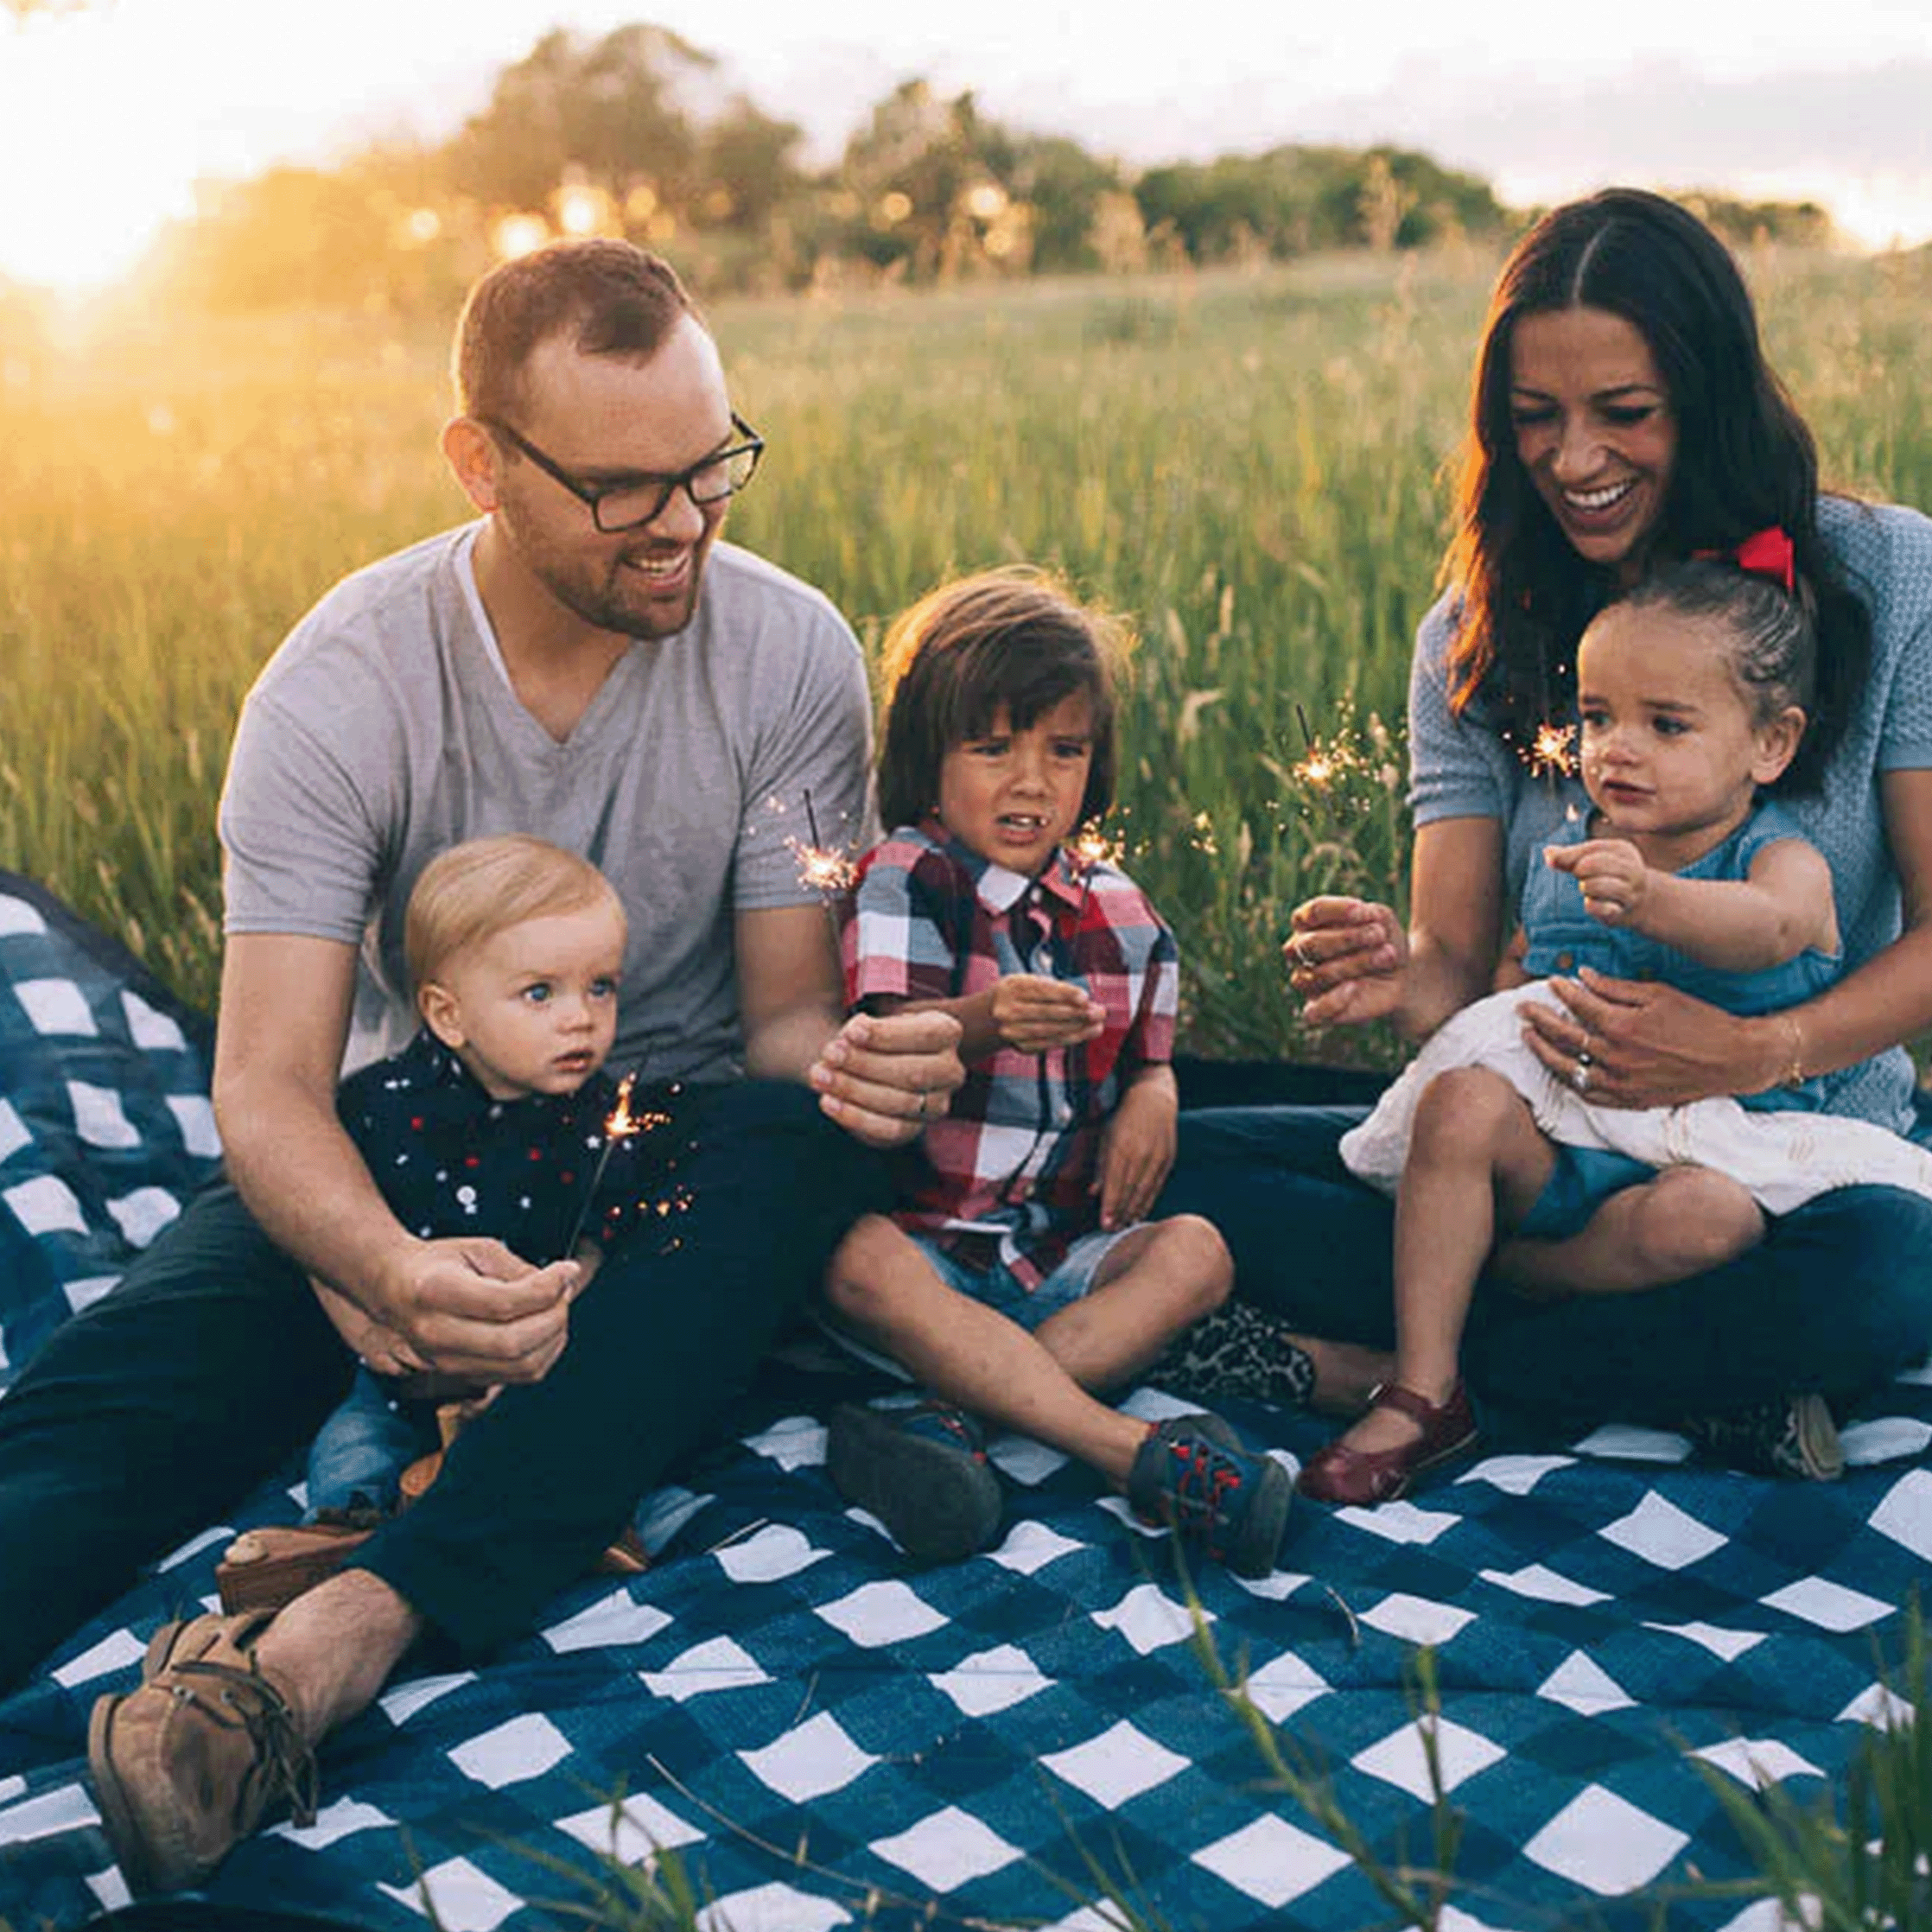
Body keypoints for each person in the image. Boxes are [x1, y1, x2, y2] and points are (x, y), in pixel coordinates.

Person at [0, 238, 963, 1896]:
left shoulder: (792, 654)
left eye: (709, 466)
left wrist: (874, 1069)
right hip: (409, 1149)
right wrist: (376, 1264)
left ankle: (327, 1649)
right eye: (620, 488)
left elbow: (785, 1024)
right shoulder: (345, 682)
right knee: (111, 1395)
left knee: (788, 1148)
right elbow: (271, 1088)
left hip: (667, 1141)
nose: (683, 523)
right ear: (480, 463)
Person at [1158, 187, 1932, 1480]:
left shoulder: (1892, 578)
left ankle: (1401, 1360)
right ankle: (1645, 1358)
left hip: (1789, 1163)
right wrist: (1396, 974)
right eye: (1535, 420)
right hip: (1536, 1139)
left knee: (1885, 1275)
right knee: (1165, 1154)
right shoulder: (1469, 636)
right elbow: (1456, 972)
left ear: (1712, 399)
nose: (1575, 460)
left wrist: (1752, 1047)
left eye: (1624, 414)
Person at [1301, 557, 1932, 1504]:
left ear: (1770, 745)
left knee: (1735, 1226)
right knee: (1458, 1100)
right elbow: (1508, 994)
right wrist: (1400, 991)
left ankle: (1507, 1285)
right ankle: (1424, 1386)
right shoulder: (1572, 852)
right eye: (1597, 718)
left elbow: (1771, 929)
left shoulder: (1781, 857)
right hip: (1562, 1142)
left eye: (1665, 725)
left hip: (1711, 1148)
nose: (1617, 749)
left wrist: (1654, 900)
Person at [819, 569, 1292, 1579]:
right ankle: (1125, 1450)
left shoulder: (1123, 913)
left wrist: (1155, 1098)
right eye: (992, 748)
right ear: (929, 759)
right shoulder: (909, 876)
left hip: (1054, 1263)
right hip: (931, 1257)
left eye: (1063, 750)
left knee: (1197, 1252)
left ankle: (945, 1426)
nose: (1031, 782)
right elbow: (897, 1045)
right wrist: (982, 1025)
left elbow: (1153, 1056)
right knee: (852, 1255)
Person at [223, 836, 653, 1598]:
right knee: (356, 1443)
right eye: (540, 993)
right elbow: (321, 1241)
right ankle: (340, 1534)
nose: (581, 1020)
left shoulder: (597, 1118)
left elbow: (595, 1241)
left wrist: (555, 1312)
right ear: (448, 1015)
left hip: (524, 1363)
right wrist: (366, 1324)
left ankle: (571, 1527)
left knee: (574, 1431)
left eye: (601, 987)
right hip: (398, 1365)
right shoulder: (381, 1109)